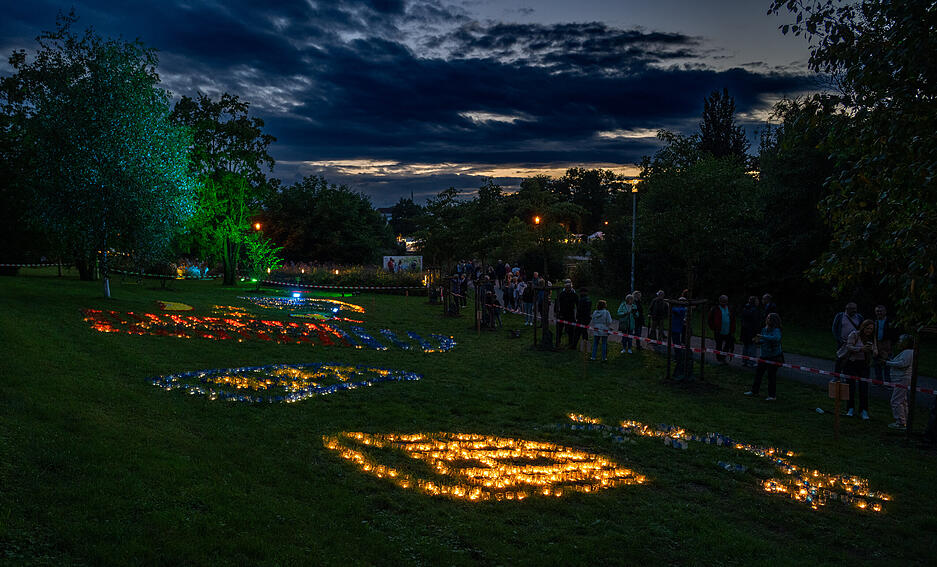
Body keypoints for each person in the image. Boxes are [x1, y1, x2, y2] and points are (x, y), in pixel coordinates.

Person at [840, 319, 877, 420]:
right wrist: (860, 349)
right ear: (863, 327)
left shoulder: (872, 338)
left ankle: (864, 410)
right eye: (867, 328)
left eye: (871, 329)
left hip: (864, 364)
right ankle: (850, 408)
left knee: (864, 388)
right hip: (851, 363)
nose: (869, 331)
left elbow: (875, 351)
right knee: (851, 387)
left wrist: (873, 350)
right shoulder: (854, 334)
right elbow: (849, 346)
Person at [745, 313, 783, 400]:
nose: (767, 319)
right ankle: (754, 391)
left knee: (771, 376)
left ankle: (772, 396)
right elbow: (763, 340)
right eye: (767, 318)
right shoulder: (764, 329)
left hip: (773, 356)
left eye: (769, 318)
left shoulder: (776, 330)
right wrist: (757, 341)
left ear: (773, 320)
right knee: (758, 374)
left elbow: (776, 338)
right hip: (764, 355)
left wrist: (763, 337)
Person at [884, 334, 914, 430]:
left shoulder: (908, 352)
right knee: (902, 400)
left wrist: (887, 363)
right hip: (900, 379)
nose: (898, 342)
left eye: (901, 340)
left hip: (902, 379)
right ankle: (905, 420)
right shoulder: (906, 352)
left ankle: (900, 422)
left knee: (896, 400)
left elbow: (903, 364)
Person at [832, 302, 863, 374]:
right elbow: (834, 328)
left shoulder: (859, 317)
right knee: (840, 358)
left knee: (852, 360)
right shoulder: (840, 316)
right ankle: (837, 376)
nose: (854, 310)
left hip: (854, 342)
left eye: (855, 308)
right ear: (847, 309)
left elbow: (862, 329)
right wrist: (839, 339)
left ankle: (848, 375)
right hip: (843, 342)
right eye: (852, 309)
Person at [873, 305, 898, 383]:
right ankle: (878, 381)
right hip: (877, 345)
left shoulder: (891, 321)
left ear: (885, 312)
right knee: (877, 364)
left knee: (888, 364)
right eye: (877, 311)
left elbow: (895, 334)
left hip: (888, 345)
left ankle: (888, 382)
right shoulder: (874, 321)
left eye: (881, 311)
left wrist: (892, 344)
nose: (879, 313)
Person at [707, 294, 736, 364]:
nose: (724, 303)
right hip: (718, 331)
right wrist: (713, 327)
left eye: (725, 301)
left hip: (728, 331)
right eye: (722, 301)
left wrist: (733, 329)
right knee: (719, 345)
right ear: (719, 301)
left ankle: (723, 357)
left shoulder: (729, 308)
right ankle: (719, 359)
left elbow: (733, 318)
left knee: (728, 344)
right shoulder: (715, 309)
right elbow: (710, 319)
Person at [740, 296, 763, 368]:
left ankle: (744, 361)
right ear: (754, 302)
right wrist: (758, 332)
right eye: (757, 301)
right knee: (752, 346)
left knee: (746, 346)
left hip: (744, 331)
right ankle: (751, 362)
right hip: (753, 331)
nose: (758, 302)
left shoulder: (745, 308)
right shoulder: (755, 310)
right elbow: (756, 322)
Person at [555, 279, 579, 349]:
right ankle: (558, 341)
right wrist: (556, 312)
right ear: (565, 288)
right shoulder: (562, 294)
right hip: (562, 313)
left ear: (571, 287)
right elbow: (557, 302)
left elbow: (578, 304)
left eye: (569, 287)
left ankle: (571, 342)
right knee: (559, 328)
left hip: (570, 314)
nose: (567, 289)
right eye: (566, 287)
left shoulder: (574, 295)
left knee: (571, 329)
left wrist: (577, 313)